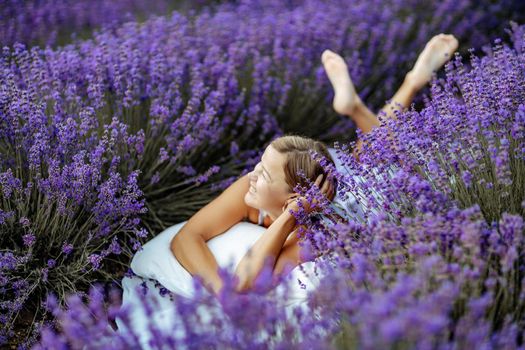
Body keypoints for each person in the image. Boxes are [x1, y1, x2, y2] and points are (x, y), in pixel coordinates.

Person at [115, 33, 459, 345]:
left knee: (393, 165)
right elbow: (186, 238)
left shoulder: (314, 235)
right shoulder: (249, 188)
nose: (252, 174)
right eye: (259, 165)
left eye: (265, 174)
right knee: (363, 155)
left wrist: (290, 217)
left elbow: (247, 283)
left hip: (359, 208)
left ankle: (407, 84)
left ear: (292, 196)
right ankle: (363, 104)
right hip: (320, 181)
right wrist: (221, 292)